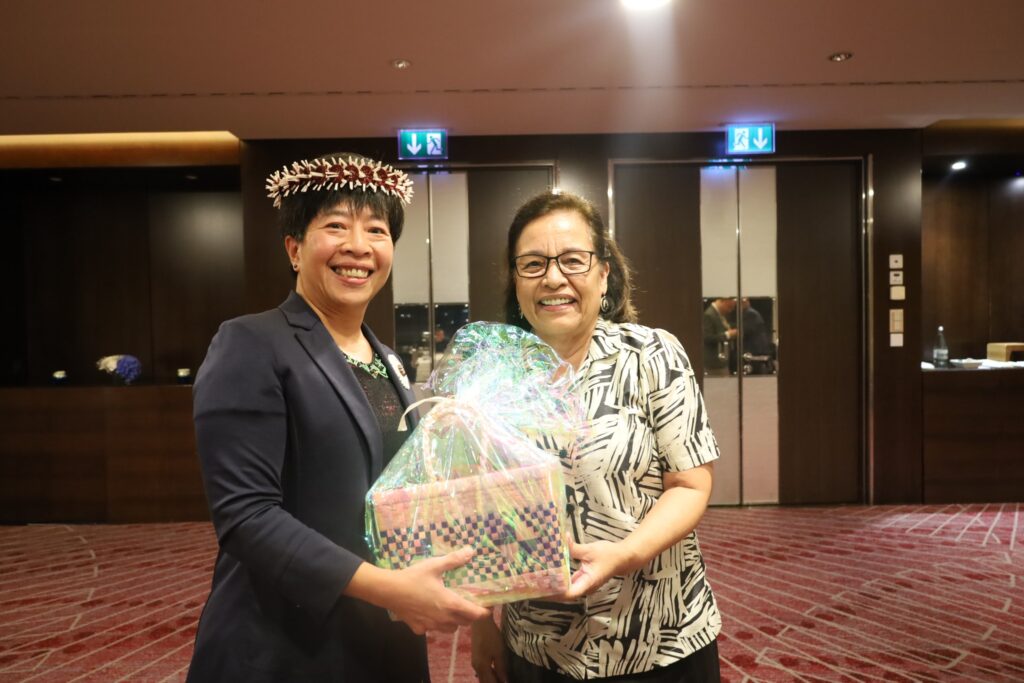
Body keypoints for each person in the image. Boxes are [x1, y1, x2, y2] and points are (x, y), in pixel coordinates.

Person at [187, 153, 489, 682]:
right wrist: (388, 588)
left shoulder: (390, 360)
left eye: (376, 229)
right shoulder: (253, 342)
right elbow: (246, 517)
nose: (358, 246)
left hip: (384, 636)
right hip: (286, 641)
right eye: (335, 226)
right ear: (294, 248)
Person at [472, 192, 722, 682]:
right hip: (539, 646)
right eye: (533, 264)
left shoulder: (652, 355)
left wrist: (624, 554)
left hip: (659, 636)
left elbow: (690, 484)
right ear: (516, 281)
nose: (553, 278)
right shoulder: (491, 378)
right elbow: (477, 512)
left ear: (604, 273)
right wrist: (483, 622)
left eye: (572, 260)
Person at [702, 297, 737, 375]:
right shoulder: (709, 315)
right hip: (714, 364)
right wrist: (728, 335)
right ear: (723, 301)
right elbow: (707, 337)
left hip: (721, 363)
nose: (730, 310)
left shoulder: (719, 314)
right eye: (729, 307)